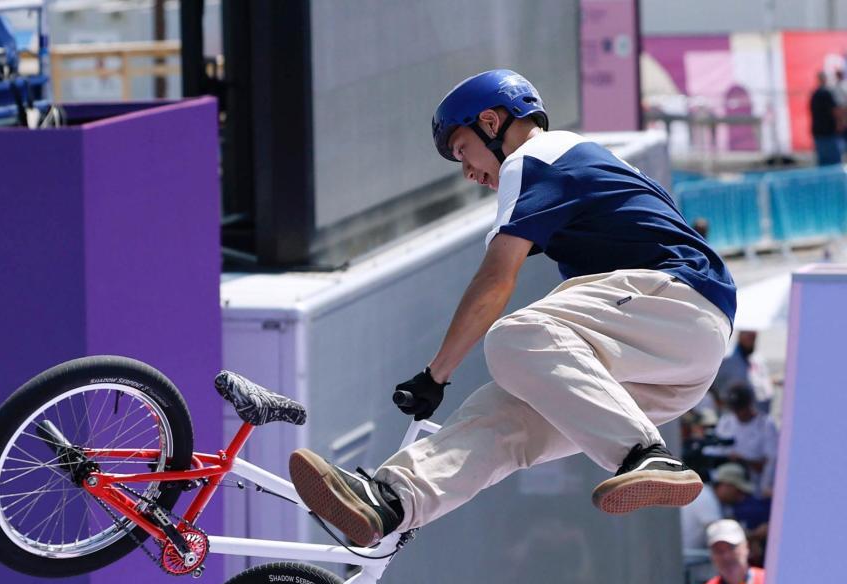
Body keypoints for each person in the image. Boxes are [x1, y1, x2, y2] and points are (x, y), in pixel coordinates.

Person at [287, 69, 735, 548]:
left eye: (462, 150)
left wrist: (435, 375)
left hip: (677, 302)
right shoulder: (572, 163)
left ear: (491, 122)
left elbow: (496, 279)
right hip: (674, 363)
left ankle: (646, 455)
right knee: (505, 418)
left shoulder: (535, 157)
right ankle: (393, 499)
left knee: (516, 336)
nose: (467, 172)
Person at [711, 383, 778, 497]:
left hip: (755, 488)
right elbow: (715, 450)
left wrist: (744, 460)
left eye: (741, 408)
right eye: (735, 409)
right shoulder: (726, 422)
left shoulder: (766, 424)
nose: (739, 413)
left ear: (749, 404)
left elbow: (771, 463)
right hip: (728, 486)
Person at [711, 330, 773, 415]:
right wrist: (719, 401)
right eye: (748, 333)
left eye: (753, 334)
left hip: (758, 417)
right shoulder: (726, 358)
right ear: (740, 334)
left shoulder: (758, 359)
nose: (751, 337)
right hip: (732, 418)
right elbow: (710, 384)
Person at [810, 70, 842, 166]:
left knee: (824, 161)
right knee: (833, 161)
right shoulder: (826, 93)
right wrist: (839, 124)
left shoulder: (815, 94)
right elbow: (835, 111)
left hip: (819, 131)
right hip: (827, 131)